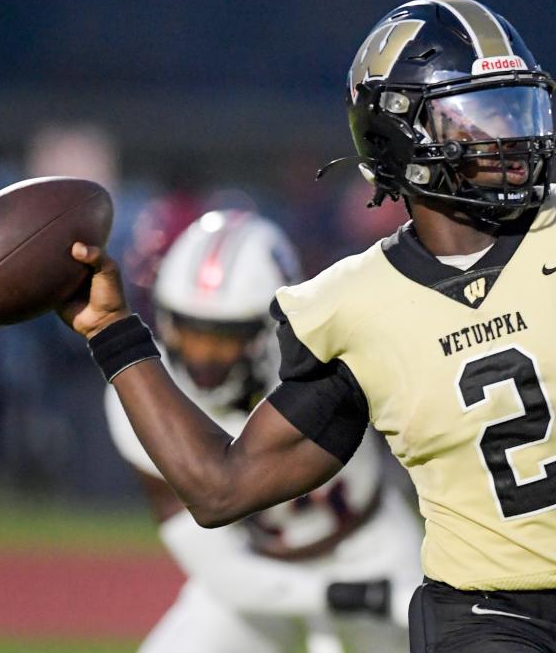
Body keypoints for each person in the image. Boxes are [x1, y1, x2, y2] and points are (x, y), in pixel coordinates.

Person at [59, 0, 556, 652]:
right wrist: (113, 330)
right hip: (483, 619)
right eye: (481, 117)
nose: (510, 140)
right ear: (398, 136)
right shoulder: (354, 306)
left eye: (517, 109)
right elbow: (220, 490)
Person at [105, 209, 420, 653]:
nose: (204, 359)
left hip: (370, 545)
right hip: (257, 570)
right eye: (191, 333)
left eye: (223, 338)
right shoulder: (144, 396)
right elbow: (217, 566)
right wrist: (356, 596)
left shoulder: (326, 348)